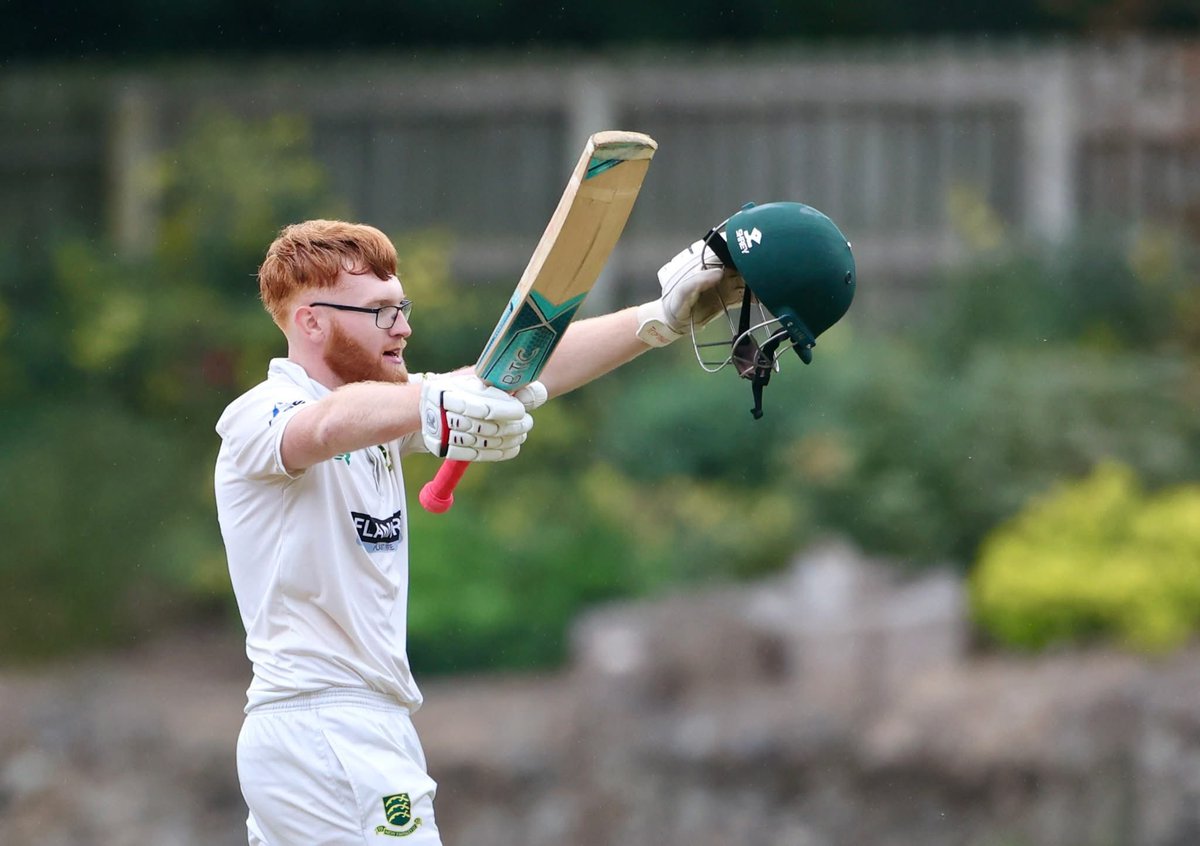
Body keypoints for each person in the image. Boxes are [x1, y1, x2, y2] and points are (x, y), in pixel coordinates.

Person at [213, 218, 741, 845]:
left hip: (339, 733)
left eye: (401, 308)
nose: (403, 327)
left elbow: (514, 372)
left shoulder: (384, 413)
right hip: (327, 733)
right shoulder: (260, 414)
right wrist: (429, 401)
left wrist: (658, 319)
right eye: (380, 312)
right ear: (311, 322)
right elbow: (327, 426)